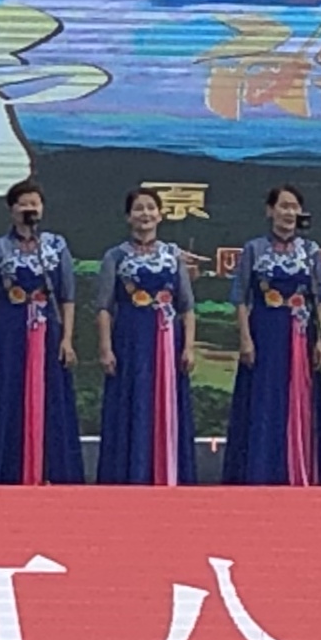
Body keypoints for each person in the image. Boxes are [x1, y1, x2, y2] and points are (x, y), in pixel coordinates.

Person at [0, 175, 83, 483]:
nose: (29, 208)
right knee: (7, 395)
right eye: (23, 204)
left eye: (34, 203)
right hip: (9, 331)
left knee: (51, 396)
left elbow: (67, 296)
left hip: (48, 331)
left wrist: (67, 339)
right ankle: (6, 471)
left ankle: (51, 471)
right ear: (12, 210)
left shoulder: (56, 246)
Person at [224, 183, 321, 484]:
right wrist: (245, 339)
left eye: (294, 207)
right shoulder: (254, 249)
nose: (289, 213)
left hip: (301, 333)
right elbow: (240, 297)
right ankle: (259, 471)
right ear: (270, 211)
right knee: (263, 400)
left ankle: (300, 468)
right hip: (265, 332)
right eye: (283, 206)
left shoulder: (310, 251)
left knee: (300, 399)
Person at [95, 185, 198, 485]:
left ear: (161, 215)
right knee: (132, 403)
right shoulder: (115, 256)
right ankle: (130, 473)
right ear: (128, 217)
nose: (145, 214)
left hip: (167, 340)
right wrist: (106, 348)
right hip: (130, 340)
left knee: (167, 402)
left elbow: (187, 306)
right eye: (138, 209)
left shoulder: (172, 255)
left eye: (151, 208)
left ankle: (168, 471)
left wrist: (188, 346)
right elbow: (103, 307)